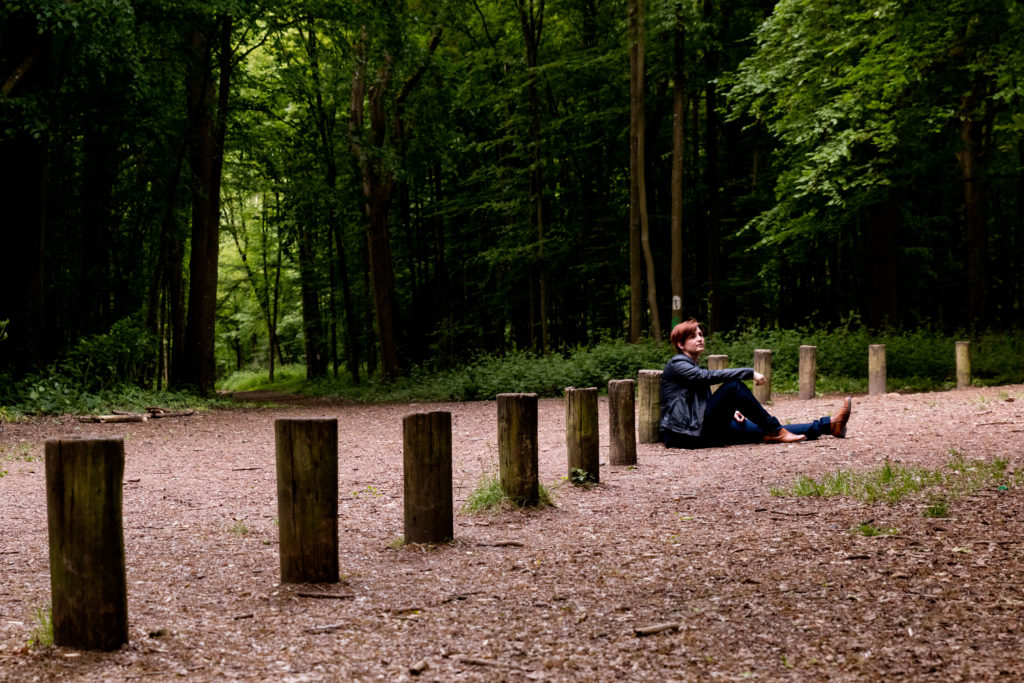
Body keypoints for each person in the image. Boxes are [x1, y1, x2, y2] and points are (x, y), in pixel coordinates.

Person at [659, 319, 852, 449]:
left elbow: (697, 400)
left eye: (701, 334)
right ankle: (776, 429)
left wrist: (730, 410)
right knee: (734, 386)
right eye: (693, 336)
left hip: (699, 429)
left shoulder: (690, 365)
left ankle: (829, 425)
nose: (700, 338)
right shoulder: (678, 364)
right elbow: (705, 376)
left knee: (766, 430)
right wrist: (749, 372)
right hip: (684, 434)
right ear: (681, 344)